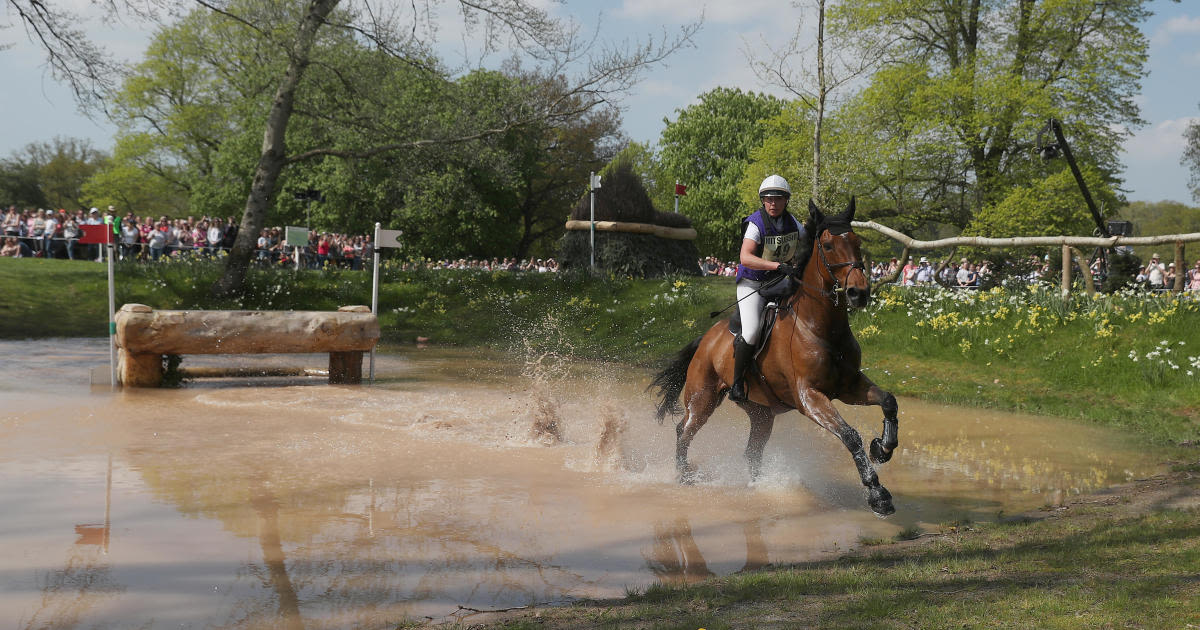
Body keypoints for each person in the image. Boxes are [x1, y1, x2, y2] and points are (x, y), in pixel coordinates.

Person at [729, 174, 808, 403]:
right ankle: (737, 383)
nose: (773, 203)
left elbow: (807, 246)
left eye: (778, 199)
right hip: (752, 283)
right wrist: (778, 265)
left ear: (786, 201)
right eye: (768, 199)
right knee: (752, 330)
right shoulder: (756, 223)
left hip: (778, 282)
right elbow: (745, 257)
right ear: (763, 201)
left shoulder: (795, 224)